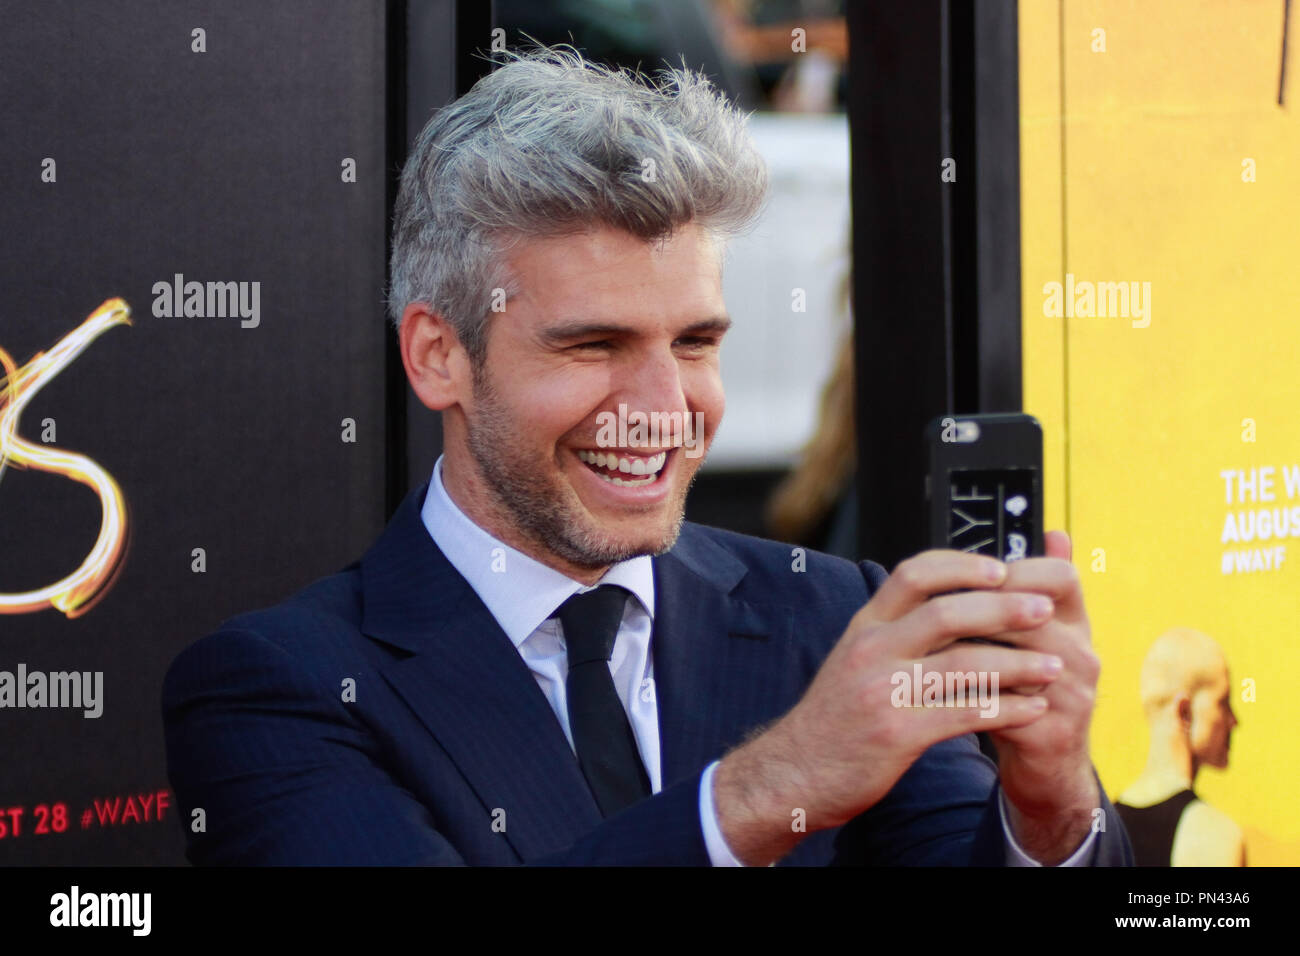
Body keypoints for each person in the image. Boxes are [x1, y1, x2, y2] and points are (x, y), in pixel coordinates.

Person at [162, 46, 1133, 866]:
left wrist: (1047, 807)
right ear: (438, 354)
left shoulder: (830, 614)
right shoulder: (280, 685)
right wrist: (763, 789)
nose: (664, 410)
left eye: (695, 342)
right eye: (593, 345)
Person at [1114, 628, 1244, 866]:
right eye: (1223, 702)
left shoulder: (1096, 833)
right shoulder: (1212, 836)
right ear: (1184, 712)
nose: (1234, 721)